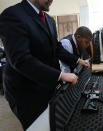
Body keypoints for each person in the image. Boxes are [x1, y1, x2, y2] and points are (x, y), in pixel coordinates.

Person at [0, 0, 90, 129]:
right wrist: (60, 75)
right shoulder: (12, 15)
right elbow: (21, 59)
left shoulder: (49, 19)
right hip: (26, 92)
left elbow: (56, 48)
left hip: (47, 86)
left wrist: (77, 61)